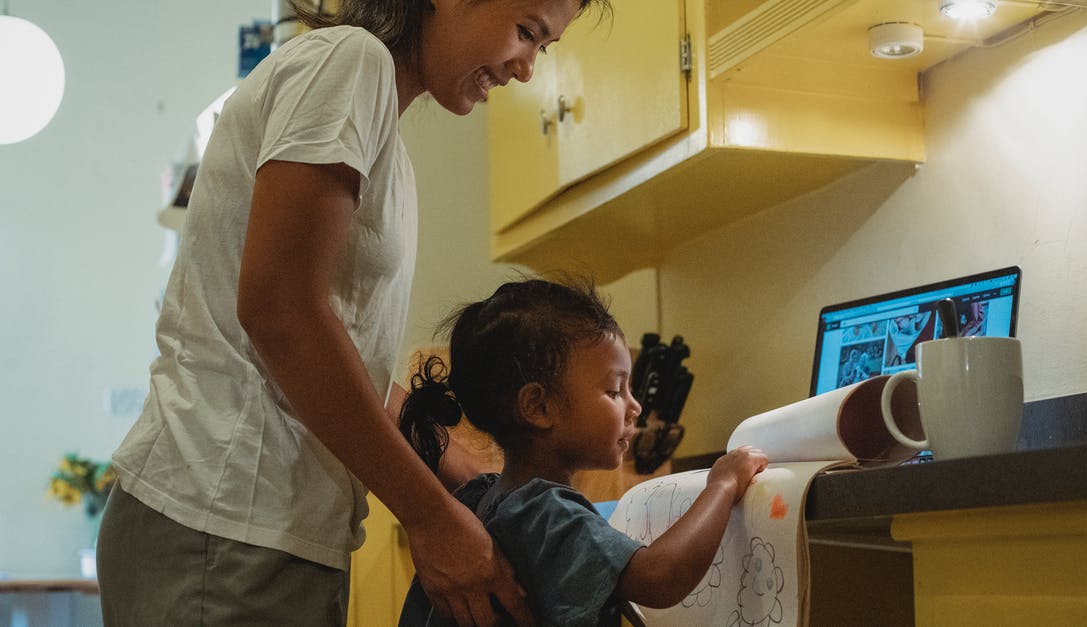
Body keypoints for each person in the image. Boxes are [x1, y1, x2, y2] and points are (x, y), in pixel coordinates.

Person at [96, 1, 606, 625]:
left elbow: (343, 362)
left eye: (543, 47)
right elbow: (282, 313)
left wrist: (472, 490)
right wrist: (430, 515)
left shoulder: (384, 138)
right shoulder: (350, 62)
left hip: (260, 528)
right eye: (526, 32)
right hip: (226, 519)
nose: (526, 69)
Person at [395, 278, 769, 626]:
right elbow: (661, 576)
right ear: (539, 407)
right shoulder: (546, 513)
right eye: (614, 391)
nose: (634, 407)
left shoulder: (478, 500)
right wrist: (722, 483)